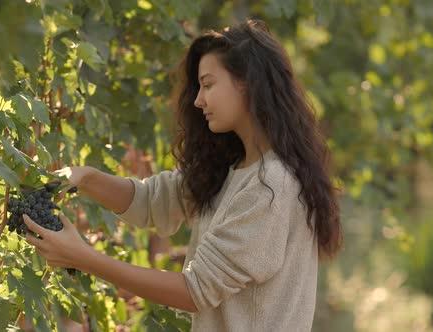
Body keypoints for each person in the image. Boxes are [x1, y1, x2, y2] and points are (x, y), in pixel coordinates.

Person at [22, 19, 343, 331]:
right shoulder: (234, 169)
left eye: (208, 84)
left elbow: (194, 291)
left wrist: (84, 258)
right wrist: (84, 178)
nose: (198, 99)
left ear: (247, 84)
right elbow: (151, 202)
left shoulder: (271, 186)